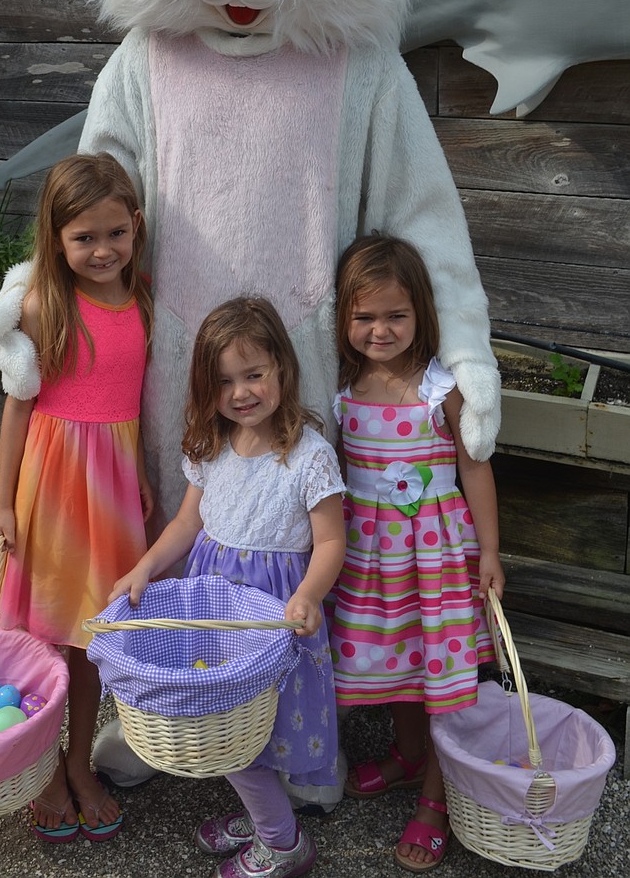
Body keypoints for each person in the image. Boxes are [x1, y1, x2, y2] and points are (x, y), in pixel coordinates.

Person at [111, 297, 346, 878]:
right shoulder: (211, 448)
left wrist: (309, 595)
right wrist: (145, 566)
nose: (241, 392)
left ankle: (283, 842)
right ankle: (265, 815)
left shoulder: (309, 455)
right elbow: (187, 524)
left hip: (271, 618)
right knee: (227, 727)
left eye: (254, 375)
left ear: (282, 371)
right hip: (218, 616)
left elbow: (332, 543)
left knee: (251, 733)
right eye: (224, 381)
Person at [0, 153, 154, 844]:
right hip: (50, 489)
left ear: (135, 227)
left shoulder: (143, 296)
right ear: (55, 237)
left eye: (115, 232)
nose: (102, 249)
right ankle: (40, 768)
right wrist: (3, 504)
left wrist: (140, 470)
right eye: (84, 237)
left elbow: (136, 398)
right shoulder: (42, 304)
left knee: (92, 639)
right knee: (44, 638)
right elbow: (17, 411)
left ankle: (80, 763)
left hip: (111, 491)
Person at [330, 235, 504, 873]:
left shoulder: (441, 386)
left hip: (436, 558)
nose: (381, 329)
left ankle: (436, 797)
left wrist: (490, 551)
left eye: (395, 315)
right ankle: (408, 757)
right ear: (344, 318)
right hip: (370, 560)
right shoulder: (343, 386)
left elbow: (474, 467)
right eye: (365, 316)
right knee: (398, 656)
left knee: (441, 672)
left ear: (420, 313)